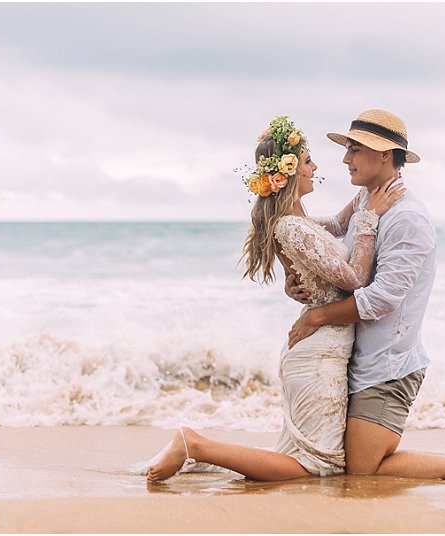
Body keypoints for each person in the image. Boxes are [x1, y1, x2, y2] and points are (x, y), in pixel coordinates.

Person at [142, 116, 405, 481]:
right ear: (292, 172)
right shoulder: (291, 227)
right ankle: (195, 444)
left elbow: (342, 222)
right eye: (309, 161)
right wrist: (371, 221)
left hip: (324, 349)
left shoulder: (301, 222)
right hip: (318, 354)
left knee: (311, 459)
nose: (316, 168)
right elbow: (356, 278)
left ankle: (198, 447)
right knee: (317, 466)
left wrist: (371, 189)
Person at [285, 109, 445, 478]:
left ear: (385, 154)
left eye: (354, 150)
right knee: (348, 465)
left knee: (362, 471)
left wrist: (316, 316)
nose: (345, 159)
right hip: (356, 358)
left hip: (386, 366)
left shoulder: (407, 218)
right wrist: (285, 235)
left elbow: (381, 298)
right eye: (347, 149)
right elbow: (331, 231)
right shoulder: (368, 200)